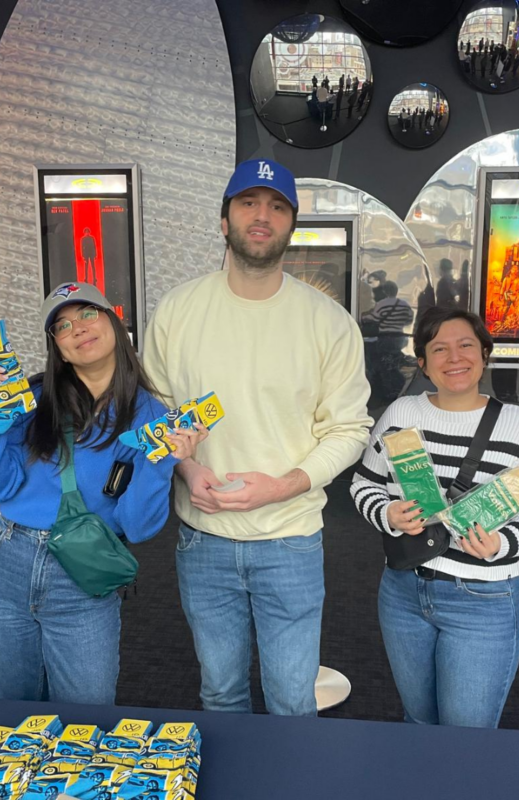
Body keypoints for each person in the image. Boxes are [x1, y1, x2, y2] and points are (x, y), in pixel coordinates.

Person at [142, 158, 372, 716]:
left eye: (276, 205)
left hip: (289, 538)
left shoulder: (328, 321)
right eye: (248, 203)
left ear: (292, 225)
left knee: (293, 701)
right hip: (204, 537)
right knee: (220, 693)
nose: (261, 215)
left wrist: (282, 486)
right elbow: (155, 410)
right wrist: (186, 469)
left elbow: (350, 429)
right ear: (224, 221)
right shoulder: (178, 310)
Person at [0, 282, 206, 705]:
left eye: (88, 314)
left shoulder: (151, 415)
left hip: (81, 575)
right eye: (62, 326)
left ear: (114, 321)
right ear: (58, 348)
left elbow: (139, 526)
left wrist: (161, 462)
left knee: (85, 719)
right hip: (6, 562)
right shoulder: (33, 398)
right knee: (8, 711)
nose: (77, 328)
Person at [351, 307, 519, 727]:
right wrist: (388, 514)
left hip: (482, 601)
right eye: (439, 349)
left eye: (466, 345)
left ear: (485, 354)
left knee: (466, 732)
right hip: (402, 590)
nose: (455, 358)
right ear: (423, 363)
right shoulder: (401, 415)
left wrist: (502, 544)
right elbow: (363, 485)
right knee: (417, 719)